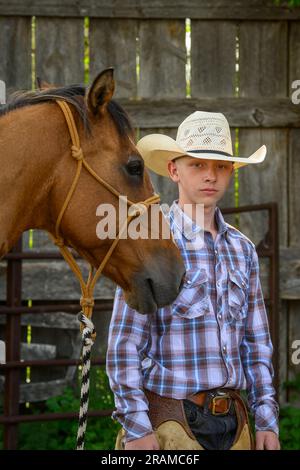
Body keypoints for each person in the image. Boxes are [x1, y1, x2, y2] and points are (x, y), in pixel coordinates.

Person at [106, 111, 280, 451]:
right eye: (197, 165)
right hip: (169, 426)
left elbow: (257, 345)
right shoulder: (151, 242)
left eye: (220, 167)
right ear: (174, 170)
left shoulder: (242, 250)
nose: (210, 176)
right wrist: (137, 429)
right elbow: (124, 344)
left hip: (236, 426)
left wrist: (267, 421)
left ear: (232, 172)